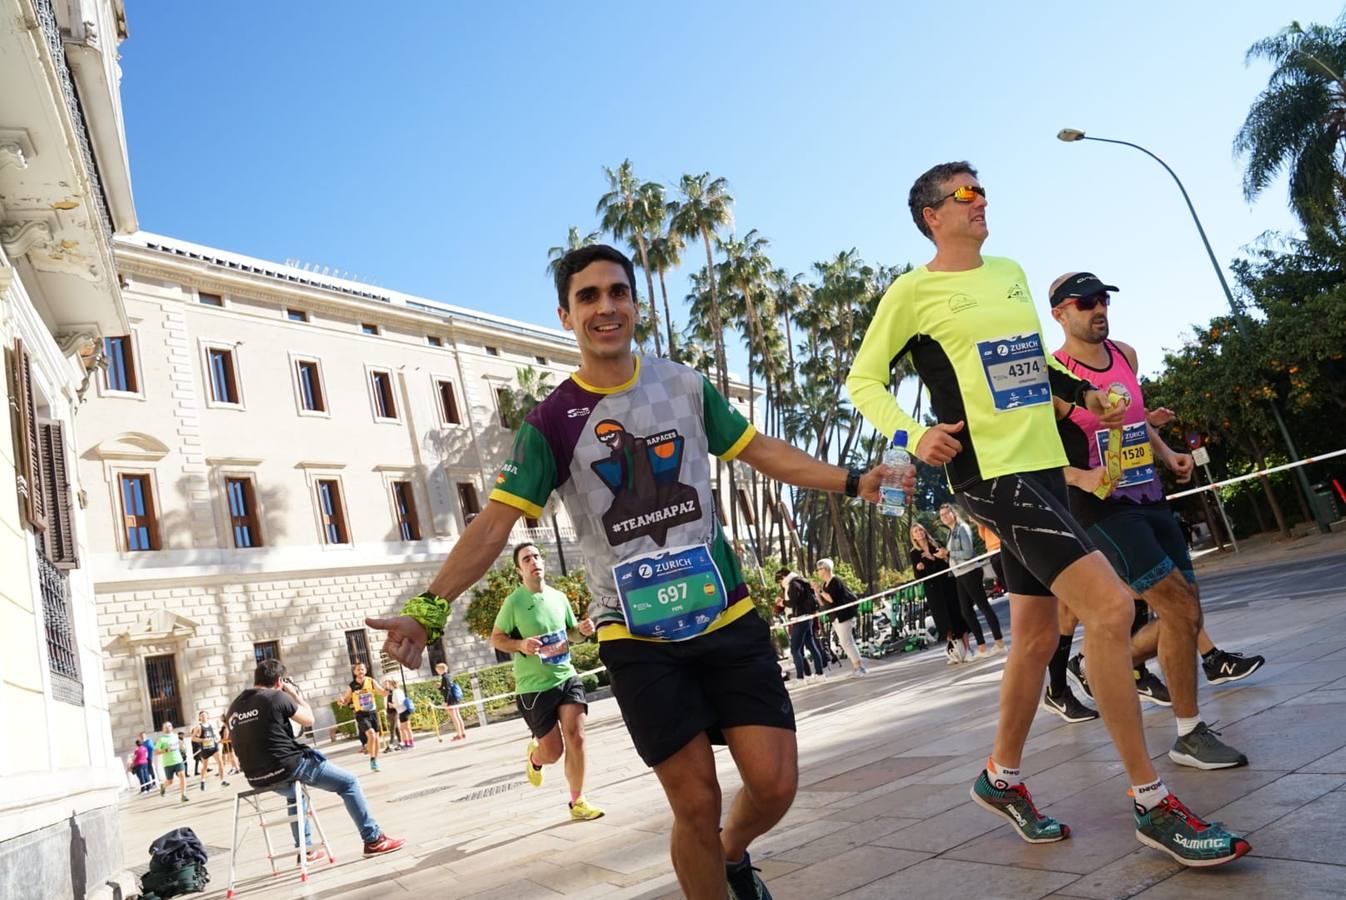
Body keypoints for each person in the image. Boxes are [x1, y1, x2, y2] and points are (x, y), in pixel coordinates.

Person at [367, 244, 907, 899]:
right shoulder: (550, 423)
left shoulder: (682, 385)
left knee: (775, 784)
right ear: (566, 316)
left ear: (634, 303)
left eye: (617, 292)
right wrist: (429, 609)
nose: (606, 306)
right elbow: (493, 526)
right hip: (638, 638)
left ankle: (732, 856)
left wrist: (856, 481)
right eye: (588, 296)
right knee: (696, 806)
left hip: (726, 614)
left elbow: (761, 450)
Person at [846, 162, 1248, 866]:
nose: (982, 201)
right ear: (931, 214)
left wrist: (1075, 401)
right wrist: (914, 435)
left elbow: (1026, 361)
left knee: (1034, 639)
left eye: (982, 190)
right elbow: (862, 379)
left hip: (1042, 468)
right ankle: (1151, 803)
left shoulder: (1007, 271)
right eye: (966, 194)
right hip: (986, 473)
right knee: (1111, 607)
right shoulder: (912, 293)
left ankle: (1000, 777)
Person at [1042, 271, 1260, 765]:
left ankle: (1100, 666)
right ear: (1060, 313)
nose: (1098, 309)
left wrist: (1168, 453)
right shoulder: (1056, 377)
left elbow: (1137, 420)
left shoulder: (1125, 355)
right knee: (1179, 606)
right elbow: (1036, 453)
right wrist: (1080, 478)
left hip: (1151, 497)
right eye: (1084, 303)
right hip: (1102, 508)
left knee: (1187, 614)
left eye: (1102, 300)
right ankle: (1189, 731)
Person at [227, 659, 404, 858]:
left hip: (256, 777)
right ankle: (373, 840)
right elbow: (309, 719)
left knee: (296, 795)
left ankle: (306, 851)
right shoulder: (275, 697)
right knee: (349, 783)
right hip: (288, 765)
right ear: (279, 681)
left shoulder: (234, 706)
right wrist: (293, 694)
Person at [492, 542, 603, 821]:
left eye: (536, 556)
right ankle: (536, 758)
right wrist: (520, 644)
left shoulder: (558, 596)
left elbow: (571, 633)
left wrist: (582, 630)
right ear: (520, 569)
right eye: (526, 559)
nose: (534, 561)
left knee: (577, 737)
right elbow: (497, 638)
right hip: (534, 688)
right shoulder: (514, 602)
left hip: (566, 676)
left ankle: (577, 801)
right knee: (553, 752)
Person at [937, 502, 1005, 658]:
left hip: (970, 572)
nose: (945, 517)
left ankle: (999, 643)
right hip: (959, 574)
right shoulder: (950, 532)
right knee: (966, 611)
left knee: (983, 606)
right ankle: (982, 648)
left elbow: (967, 553)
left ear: (954, 513)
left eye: (947, 513)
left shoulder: (962, 528)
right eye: (942, 515)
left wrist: (948, 553)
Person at [910, 522, 970, 663]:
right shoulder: (914, 553)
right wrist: (919, 568)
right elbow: (918, 577)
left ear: (924, 531)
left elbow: (948, 561)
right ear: (913, 537)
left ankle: (967, 649)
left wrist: (939, 557)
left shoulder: (937, 543)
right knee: (944, 622)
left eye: (920, 530)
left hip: (948, 584)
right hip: (933, 591)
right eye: (915, 532)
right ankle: (954, 651)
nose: (919, 533)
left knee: (957, 616)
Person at [776, 567, 829, 684]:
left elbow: (793, 602)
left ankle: (801, 678)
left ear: (783, 578)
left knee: (795, 650)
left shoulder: (793, 584)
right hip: (807, 618)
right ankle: (820, 674)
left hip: (799, 619)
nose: (780, 584)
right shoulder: (801, 581)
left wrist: (782, 602)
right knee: (812, 646)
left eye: (779, 581)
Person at [814, 559, 866, 676]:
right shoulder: (825, 584)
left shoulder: (835, 581)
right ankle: (857, 666)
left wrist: (821, 591)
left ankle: (859, 667)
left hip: (843, 616)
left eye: (819, 569)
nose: (817, 572)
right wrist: (817, 593)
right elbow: (823, 603)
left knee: (846, 642)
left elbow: (831, 598)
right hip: (835, 617)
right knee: (845, 642)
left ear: (825, 569)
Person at [337, 662, 384, 772]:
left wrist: (389, 690)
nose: (360, 671)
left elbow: (381, 692)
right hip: (361, 714)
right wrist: (342, 701)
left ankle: (374, 760)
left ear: (365, 671)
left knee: (377, 739)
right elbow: (346, 700)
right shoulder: (352, 686)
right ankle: (371, 757)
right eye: (358, 669)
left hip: (372, 712)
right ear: (354, 672)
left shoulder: (371, 681)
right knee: (371, 734)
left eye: (362, 669)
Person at [190, 710, 230, 791]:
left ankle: (222, 780)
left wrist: (215, 739)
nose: (204, 717)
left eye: (205, 715)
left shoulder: (210, 725)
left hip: (214, 747)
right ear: (200, 718)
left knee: (221, 762)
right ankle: (203, 781)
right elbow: (193, 738)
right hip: (205, 749)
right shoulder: (198, 727)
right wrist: (202, 740)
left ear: (207, 716)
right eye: (202, 716)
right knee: (205, 767)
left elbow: (212, 734)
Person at [153, 721, 189, 802]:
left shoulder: (176, 736)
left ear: (172, 727)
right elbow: (155, 752)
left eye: (169, 726)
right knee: (170, 781)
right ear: (163, 729)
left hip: (178, 760)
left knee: (182, 775)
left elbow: (179, 745)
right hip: (168, 763)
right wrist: (166, 750)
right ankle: (163, 786)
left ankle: (183, 795)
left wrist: (182, 748)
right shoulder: (161, 739)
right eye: (166, 727)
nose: (168, 728)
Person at [435, 662, 467, 741]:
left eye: (437, 670)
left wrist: (445, 701)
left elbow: (447, 690)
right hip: (455, 699)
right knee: (458, 715)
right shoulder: (448, 676)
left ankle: (459, 734)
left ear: (440, 670)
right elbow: (447, 687)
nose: (437, 672)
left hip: (450, 700)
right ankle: (462, 733)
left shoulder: (444, 678)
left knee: (454, 717)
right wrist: (440, 687)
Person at [383, 679, 415, 750]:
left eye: (389, 684)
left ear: (392, 685)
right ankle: (407, 743)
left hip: (403, 711)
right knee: (404, 728)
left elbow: (399, 703)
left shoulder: (396, 692)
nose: (388, 686)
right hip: (402, 711)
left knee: (406, 728)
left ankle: (410, 744)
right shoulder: (398, 691)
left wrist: (392, 705)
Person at [979, 522, 1006, 596]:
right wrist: (980, 526)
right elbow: (983, 537)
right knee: (1002, 578)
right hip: (992, 551)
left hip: (1000, 546)